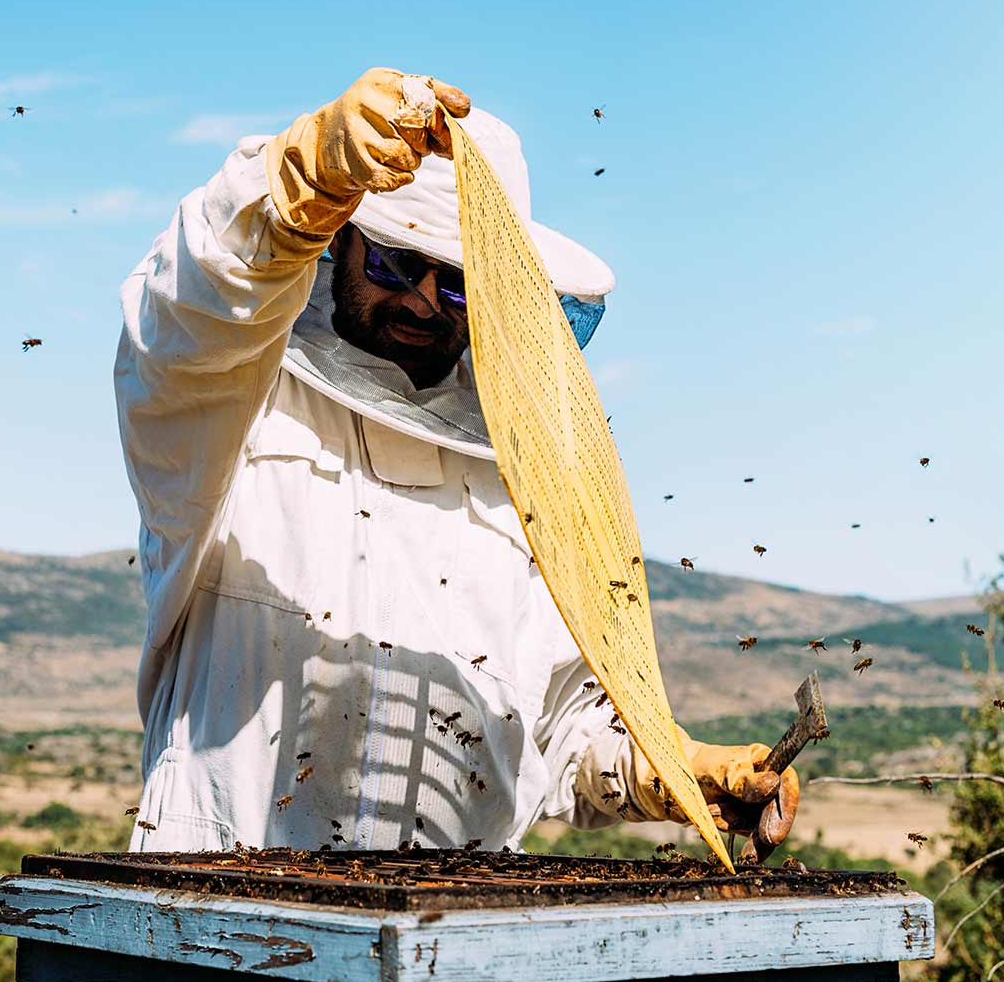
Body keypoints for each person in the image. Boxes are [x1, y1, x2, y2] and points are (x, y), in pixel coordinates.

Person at [115, 67, 798, 859]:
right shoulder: (234, 407)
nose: (421, 301)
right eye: (396, 264)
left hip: (455, 916)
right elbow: (187, 317)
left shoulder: (524, 478)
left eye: (461, 286)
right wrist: (298, 178)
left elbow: (555, 731)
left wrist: (669, 770)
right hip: (221, 906)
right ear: (341, 242)